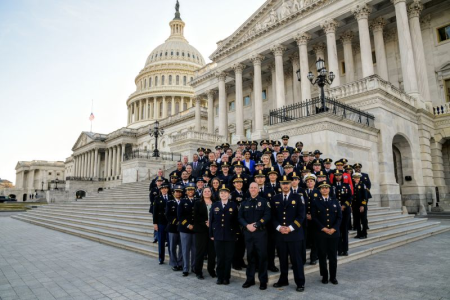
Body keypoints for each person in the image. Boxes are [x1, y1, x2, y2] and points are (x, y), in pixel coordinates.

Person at [271, 176, 306, 292]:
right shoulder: (275, 198)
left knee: (296, 260)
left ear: (291, 184)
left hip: (294, 234)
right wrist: (279, 227)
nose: (285, 185)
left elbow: (301, 216)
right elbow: (273, 216)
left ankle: (300, 282)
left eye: (287, 183)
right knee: (282, 260)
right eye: (283, 183)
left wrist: (290, 228)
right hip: (280, 234)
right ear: (280, 185)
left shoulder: (298, 197)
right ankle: (283, 279)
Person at [238, 182, 271, 290]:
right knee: (250, 257)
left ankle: (263, 281)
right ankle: (250, 279)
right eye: (251, 188)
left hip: (260, 233)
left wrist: (257, 224)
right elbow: (240, 217)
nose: (253, 189)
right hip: (248, 233)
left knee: (262, 257)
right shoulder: (244, 203)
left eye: (255, 188)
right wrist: (247, 225)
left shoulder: (264, 202)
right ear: (249, 189)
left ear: (258, 189)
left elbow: (267, 215)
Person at [311, 182, 342, 285]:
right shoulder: (316, 201)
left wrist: (334, 228)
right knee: (322, 255)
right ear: (320, 190)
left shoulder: (335, 201)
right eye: (322, 188)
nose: (324, 190)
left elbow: (339, 217)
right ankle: (324, 276)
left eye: (326, 188)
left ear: (329, 190)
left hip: (333, 233)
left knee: (333, 256)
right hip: (321, 233)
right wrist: (323, 228)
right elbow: (314, 217)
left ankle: (333, 277)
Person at [209, 184, 240, 285]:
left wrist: (236, 234)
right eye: (221, 193)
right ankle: (219, 277)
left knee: (228, 257)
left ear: (229, 194)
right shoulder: (215, 205)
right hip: (218, 235)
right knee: (220, 257)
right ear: (219, 194)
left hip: (230, 235)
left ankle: (226, 277)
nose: (223, 194)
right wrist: (211, 234)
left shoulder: (233, 205)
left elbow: (236, 221)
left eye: (225, 193)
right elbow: (211, 221)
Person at [193, 187, 216, 280]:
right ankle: (198, 271)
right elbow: (195, 216)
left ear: (211, 193)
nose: (207, 193)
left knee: (212, 252)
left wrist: (212, 223)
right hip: (201, 230)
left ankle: (211, 270)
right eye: (205, 191)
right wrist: (205, 222)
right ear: (202, 193)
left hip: (213, 231)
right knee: (200, 252)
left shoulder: (215, 203)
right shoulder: (198, 203)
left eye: (208, 191)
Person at [178, 182, 198, 276]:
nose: (190, 191)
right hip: (185, 229)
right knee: (185, 249)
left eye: (192, 190)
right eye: (189, 190)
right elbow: (180, 216)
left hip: (195, 229)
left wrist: (195, 225)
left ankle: (194, 267)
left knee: (194, 249)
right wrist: (187, 225)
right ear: (186, 192)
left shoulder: (197, 201)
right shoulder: (182, 201)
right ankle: (185, 268)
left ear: (194, 191)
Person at [333, 170, 352, 256]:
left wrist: (344, 205)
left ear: (342, 176)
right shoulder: (332, 186)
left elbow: (350, 197)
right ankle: (339, 249)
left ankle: (345, 249)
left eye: (339, 175)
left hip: (345, 210)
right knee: (337, 230)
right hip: (335, 211)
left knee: (344, 230)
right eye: (336, 175)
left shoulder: (346, 185)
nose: (338, 177)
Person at [153, 182, 172, 265]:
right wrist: (155, 223)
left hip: (170, 223)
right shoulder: (157, 198)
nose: (164, 190)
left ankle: (172, 258)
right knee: (161, 241)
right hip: (161, 222)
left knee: (170, 241)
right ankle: (161, 258)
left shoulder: (171, 197)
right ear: (160, 190)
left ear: (167, 189)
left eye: (165, 188)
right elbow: (155, 212)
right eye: (162, 188)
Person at [165, 185, 184, 271]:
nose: (178, 193)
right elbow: (168, 215)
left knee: (181, 247)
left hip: (182, 228)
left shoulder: (183, 202)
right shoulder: (169, 203)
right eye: (177, 192)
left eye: (180, 192)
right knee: (172, 247)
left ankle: (180, 263)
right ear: (173, 193)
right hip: (172, 228)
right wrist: (176, 222)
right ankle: (173, 263)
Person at [230, 176, 247, 271]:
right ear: (234, 184)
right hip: (235, 221)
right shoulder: (231, 195)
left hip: (243, 221)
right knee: (235, 243)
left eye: (240, 182)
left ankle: (241, 260)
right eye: (237, 182)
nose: (239, 184)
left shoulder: (245, 194)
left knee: (242, 244)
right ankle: (235, 262)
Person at [304, 174, 319, 265]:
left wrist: (312, 216)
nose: (310, 183)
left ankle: (313, 258)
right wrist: (305, 214)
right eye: (308, 181)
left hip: (314, 219)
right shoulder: (303, 192)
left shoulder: (318, 192)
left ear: (314, 182)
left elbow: (320, 206)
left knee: (314, 240)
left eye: (311, 181)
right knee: (305, 239)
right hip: (304, 219)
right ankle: (303, 258)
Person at [352, 173, 369, 239]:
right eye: (355, 178)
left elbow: (365, 197)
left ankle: (364, 234)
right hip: (355, 206)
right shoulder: (352, 186)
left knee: (363, 220)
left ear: (359, 179)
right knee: (357, 220)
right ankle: (359, 233)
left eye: (358, 178)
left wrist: (362, 205)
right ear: (353, 179)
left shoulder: (362, 185)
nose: (356, 179)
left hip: (362, 205)